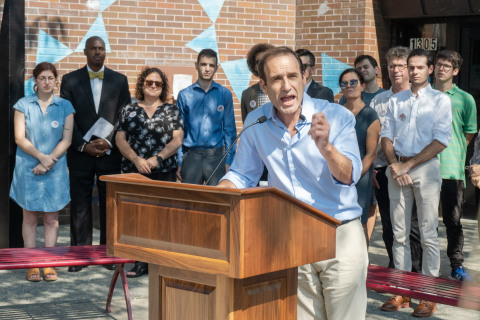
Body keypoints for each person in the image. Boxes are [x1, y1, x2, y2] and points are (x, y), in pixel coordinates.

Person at [218, 46, 368, 320]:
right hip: (292, 238)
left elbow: (349, 175)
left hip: (339, 235)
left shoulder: (335, 115)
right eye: (276, 79)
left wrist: (326, 147)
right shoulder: (256, 121)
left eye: (292, 76)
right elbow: (242, 175)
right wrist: (219, 194)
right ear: (263, 84)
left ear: (304, 77)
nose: (286, 86)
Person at [380, 48, 452, 317]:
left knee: (428, 234)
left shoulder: (440, 101)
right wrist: (395, 166)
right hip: (396, 169)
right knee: (399, 235)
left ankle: (428, 295)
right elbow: (386, 136)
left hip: (425, 170)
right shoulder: (396, 100)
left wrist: (407, 165)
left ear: (430, 69)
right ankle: (402, 292)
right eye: (410, 67)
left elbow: (441, 140)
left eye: (419, 67)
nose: (413, 72)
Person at [60, 36, 132, 272]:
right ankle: (79, 257)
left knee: (109, 205)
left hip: (110, 153)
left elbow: (125, 116)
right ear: (85, 52)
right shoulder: (69, 80)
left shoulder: (119, 80)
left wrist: (108, 142)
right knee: (80, 205)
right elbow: (67, 116)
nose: (98, 52)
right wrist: (83, 145)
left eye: (102, 49)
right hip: (80, 154)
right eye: (94, 49)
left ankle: (107, 254)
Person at [115, 67, 184, 277]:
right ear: (142, 85)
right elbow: (120, 139)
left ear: (162, 87)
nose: (153, 86)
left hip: (163, 171)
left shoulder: (172, 110)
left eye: (158, 83)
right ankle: (140, 262)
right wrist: (136, 159)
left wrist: (157, 158)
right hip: (134, 171)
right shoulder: (129, 110)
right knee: (137, 218)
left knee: (163, 218)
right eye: (149, 82)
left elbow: (177, 139)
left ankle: (162, 262)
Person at [10, 62, 75, 282]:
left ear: (56, 80)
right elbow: (19, 138)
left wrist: (48, 162)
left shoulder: (65, 106)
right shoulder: (23, 105)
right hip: (28, 168)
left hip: (54, 171)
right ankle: (32, 264)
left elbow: (66, 140)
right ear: (35, 81)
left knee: (51, 218)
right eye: (42, 78)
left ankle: (49, 263)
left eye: (50, 78)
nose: (47, 82)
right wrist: (41, 158)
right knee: (29, 218)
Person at [370, 46, 423, 272]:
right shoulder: (379, 100)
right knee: (390, 225)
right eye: (392, 66)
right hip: (384, 169)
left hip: (414, 168)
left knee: (413, 226)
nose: (396, 70)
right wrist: (371, 167)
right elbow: (372, 137)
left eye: (401, 65)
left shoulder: (419, 98)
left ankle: (416, 271)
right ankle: (395, 269)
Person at [435, 50, 477, 281]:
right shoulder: (424, 95)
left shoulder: (465, 99)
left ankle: (456, 265)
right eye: (439, 64)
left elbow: (468, 133)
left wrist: (454, 150)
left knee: (453, 221)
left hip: (451, 170)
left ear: (456, 71)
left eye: (447, 66)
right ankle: (423, 265)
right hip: (425, 169)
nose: (442, 69)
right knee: (424, 223)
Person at [176, 49, 236, 186]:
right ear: (196, 65)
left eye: (211, 65)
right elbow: (179, 131)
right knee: (190, 201)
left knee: (217, 200)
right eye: (203, 64)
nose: (207, 69)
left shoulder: (225, 94)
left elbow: (230, 131)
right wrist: (180, 161)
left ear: (216, 68)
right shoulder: (184, 95)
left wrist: (229, 161)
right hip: (191, 157)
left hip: (216, 157)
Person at [339, 68, 379, 241]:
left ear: (363, 86)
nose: (349, 86)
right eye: (344, 83)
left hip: (360, 176)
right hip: (337, 173)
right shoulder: (336, 112)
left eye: (353, 82)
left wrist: (353, 176)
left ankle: (363, 264)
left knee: (359, 223)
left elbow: (371, 154)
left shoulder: (370, 115)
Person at [241, 43, 275, 122]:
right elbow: (247, 126)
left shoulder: (283, 88)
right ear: (255, 67)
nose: (263, 64)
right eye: (259, 61)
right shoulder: (247, 94)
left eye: (266, 60)